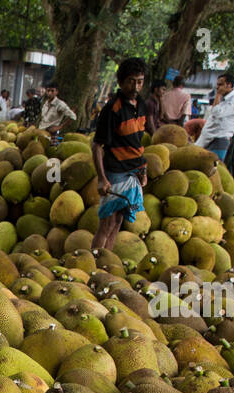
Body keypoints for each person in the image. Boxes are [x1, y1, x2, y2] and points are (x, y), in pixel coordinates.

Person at [92, 57, 149, 252]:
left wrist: (143, 170)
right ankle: (94, 265)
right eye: (131, 81)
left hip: (133, 172)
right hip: (115, 172)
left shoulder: (141, 105)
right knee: (106, 223)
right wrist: (102, 178)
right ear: (121, 82)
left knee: (118, 221)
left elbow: (136, 143)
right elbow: (97, 146)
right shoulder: (111, 110)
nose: (135, 86)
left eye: (140, 81)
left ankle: (105, 261)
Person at [195, 72, 234, 160]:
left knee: (214, 166)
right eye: (217, 84)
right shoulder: (223, 99)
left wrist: (218, 95)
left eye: (220, 84)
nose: (217, 87)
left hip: (220, 139)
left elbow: (216, 112)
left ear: (229, 85)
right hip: (209, 137)